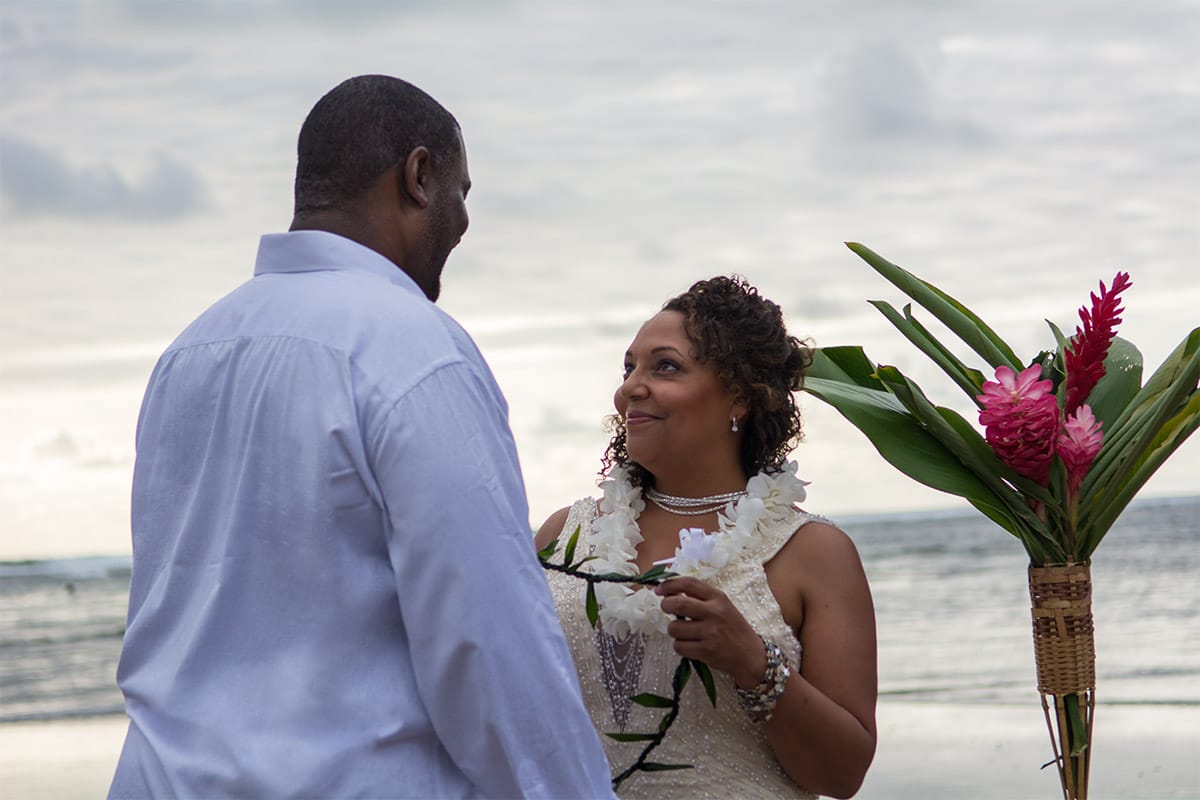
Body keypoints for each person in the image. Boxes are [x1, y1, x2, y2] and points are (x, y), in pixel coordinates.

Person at [110, 75, 614, 799]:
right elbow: (489, 645)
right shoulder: (412, 348)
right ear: (418, 175)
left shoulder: (190, 352)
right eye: (461, 192)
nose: (465, 222)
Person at [536, 276, 878, 799]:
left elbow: (843, 775)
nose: (630, 386)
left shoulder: (812, 552)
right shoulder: (565, 537)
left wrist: (754, 664)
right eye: (629, 367)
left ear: (739, 395)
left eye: (665, 366)